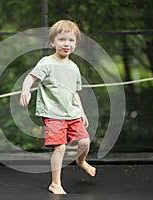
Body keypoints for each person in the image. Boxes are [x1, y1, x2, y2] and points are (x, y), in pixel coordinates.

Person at [20, 20, 96, 195]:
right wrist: (26, 91)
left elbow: (74, 93)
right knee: (60, 147)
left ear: (75, 45)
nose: (66, 44)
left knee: (84, 142)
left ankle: (81, 162)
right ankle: (55, 184)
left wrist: (82, 111)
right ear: (53, 42)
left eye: (71, 40)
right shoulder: (47, 62)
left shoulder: (74, 67)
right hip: (53, 113)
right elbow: (30, 78)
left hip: (73, 113)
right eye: (62, 39)